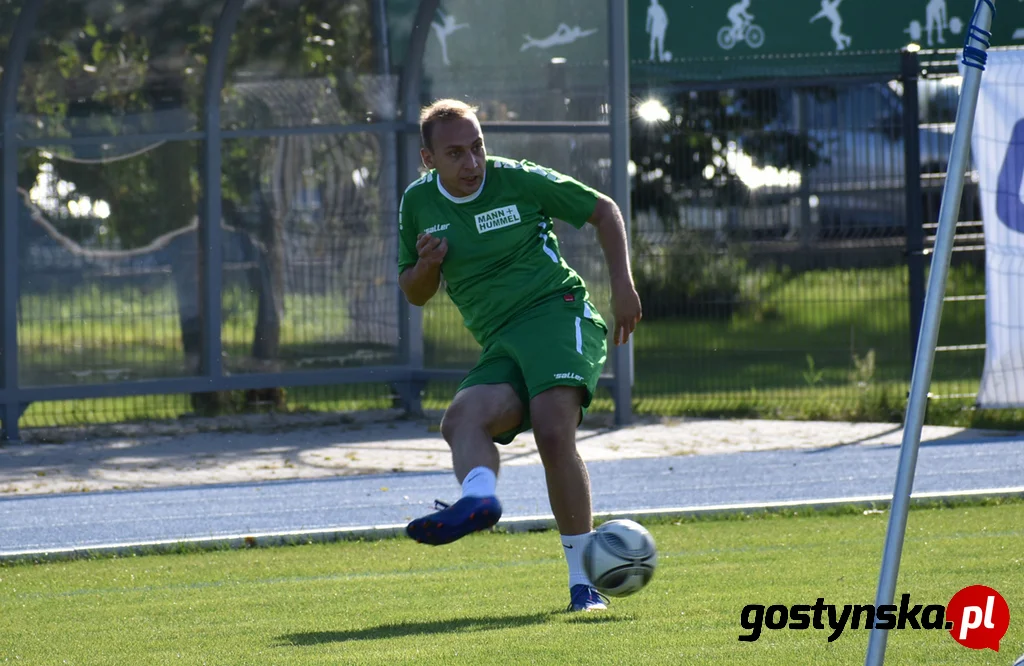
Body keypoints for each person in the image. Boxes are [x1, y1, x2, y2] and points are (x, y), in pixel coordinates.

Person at [397, 99, 642, 613]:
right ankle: (479, 499)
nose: (472, 163)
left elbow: (604, 210)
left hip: (558, 312)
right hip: (502, 340)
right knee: (460, 419)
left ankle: (584, 585)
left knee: (554, 431)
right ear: (429, 159)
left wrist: (623, 286)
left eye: (478, 147)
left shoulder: (517, 179)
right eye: (456, 153)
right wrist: (425, 265)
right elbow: (415, 293)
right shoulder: (418, 204)